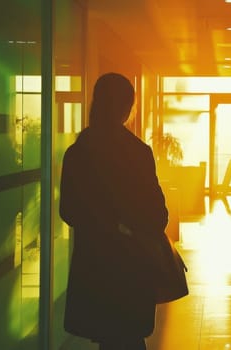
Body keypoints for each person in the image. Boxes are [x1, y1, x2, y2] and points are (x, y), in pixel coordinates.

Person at [59, 73, 168, 350]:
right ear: (127, 109)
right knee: (129, 338)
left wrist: (102, 223)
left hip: (95, 268)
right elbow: (157, 216)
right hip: (131, 267)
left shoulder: (77, 153)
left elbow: (68, 211)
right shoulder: (138, 153)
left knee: (108, 339)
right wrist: (128, 225)